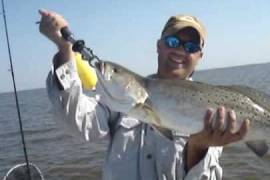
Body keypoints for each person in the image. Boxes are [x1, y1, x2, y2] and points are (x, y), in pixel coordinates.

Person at [39, 9, 250, 180]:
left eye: (191, 46)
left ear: (199, 56)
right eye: (173, 42)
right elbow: (78, 124)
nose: (179, 51)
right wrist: (65, 49)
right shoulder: (120, 99)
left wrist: (198, 147)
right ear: (159, 46)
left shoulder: (214, 109)